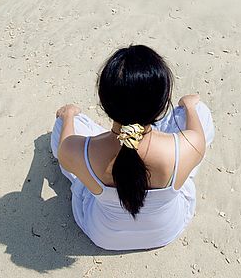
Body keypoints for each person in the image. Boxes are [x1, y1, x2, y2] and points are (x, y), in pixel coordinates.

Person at [50, 44, 215, 251]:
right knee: (199, 114)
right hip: (166, 230)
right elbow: (197, 132)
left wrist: (68, 117)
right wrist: (189, 106)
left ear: (104, 102)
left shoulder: (76, 151)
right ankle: (179, 167)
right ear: (163, 104)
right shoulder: (189, 145)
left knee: (66, 138)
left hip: (104, 235)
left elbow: (65, 143)